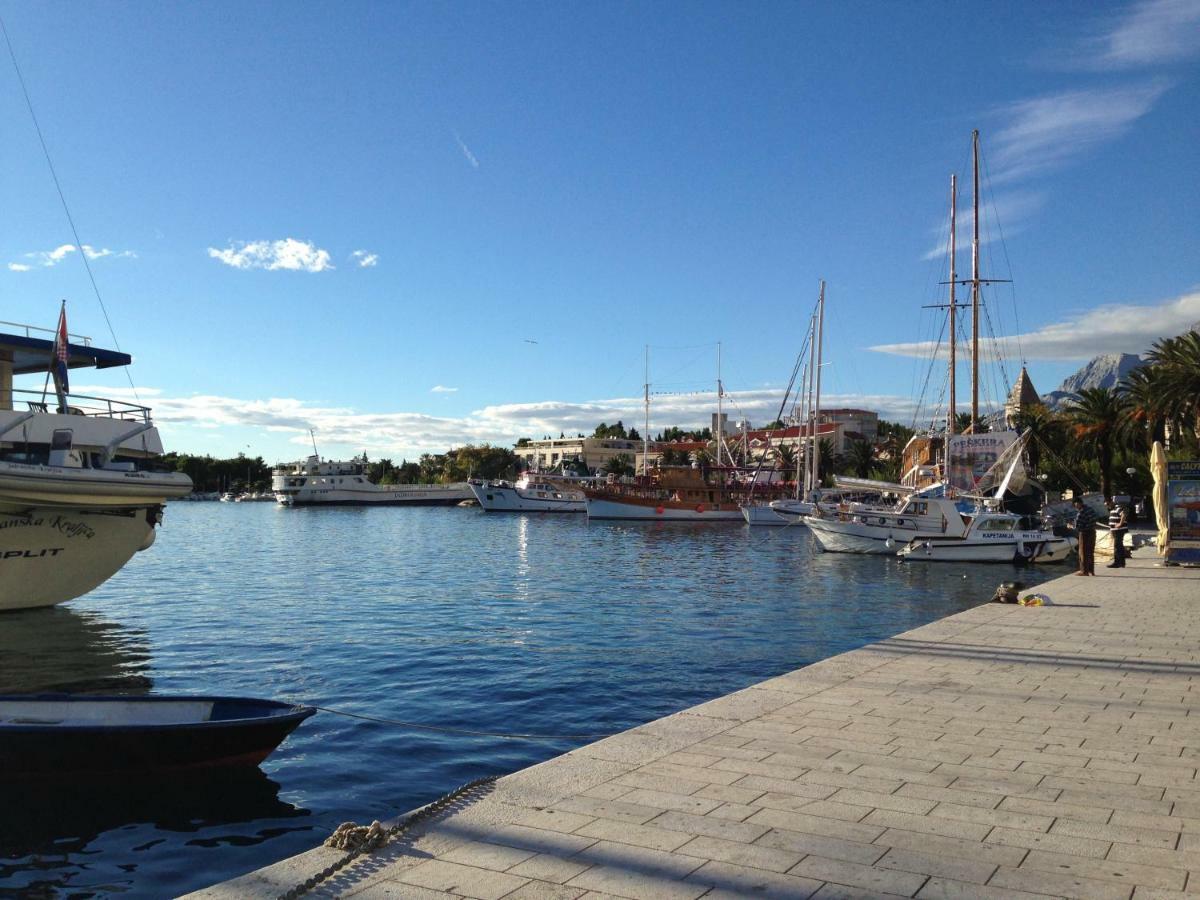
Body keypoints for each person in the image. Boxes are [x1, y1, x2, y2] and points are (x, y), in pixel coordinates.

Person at [1072, 497, 1097, 576]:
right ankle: (1091, 570)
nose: (1075, 507)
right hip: (1092, 532)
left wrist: (1070, 526)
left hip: (1084, 533)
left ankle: (1084, 571)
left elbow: (1078, 527)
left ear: (1078, 503)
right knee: (1090, 552)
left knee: (1083, 552)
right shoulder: (1090, 509)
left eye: (1075, 505)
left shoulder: (1081, 513)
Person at [1107, 499, 1129, 568]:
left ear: (1111, 502)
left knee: (1117, 546)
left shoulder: (1117, 508)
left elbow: (1124, 514)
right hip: (1116, 530)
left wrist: (1120, 524)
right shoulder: (1114, 508)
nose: (1107, 506)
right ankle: (1122, 563)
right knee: (1119, 546)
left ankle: (1117, 563)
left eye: (1107, 504)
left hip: (1119, 530)